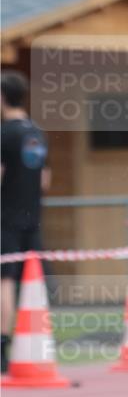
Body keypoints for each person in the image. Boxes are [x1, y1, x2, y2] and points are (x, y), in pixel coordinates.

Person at [1, 71, 50, 374]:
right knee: (31, 283)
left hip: (5, 219)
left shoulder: (4, 134)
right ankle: (34, 347)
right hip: (32, 218)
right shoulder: (37, 134)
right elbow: (45, 180)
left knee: (4, 282)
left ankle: (2, 346)